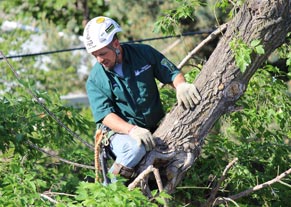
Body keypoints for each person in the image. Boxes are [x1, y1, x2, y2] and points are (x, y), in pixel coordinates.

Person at [83, 16, 201, 180]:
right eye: (95, 55)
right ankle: (106, 193)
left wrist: (180, 85)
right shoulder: (96, 78)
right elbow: (105, 115)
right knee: (135, 149)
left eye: (102, 53)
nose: (100, 59)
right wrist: (131, 130)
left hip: (154, 128)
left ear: (116, 44)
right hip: (119, 134)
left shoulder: (143, 53)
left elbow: (171, 72)